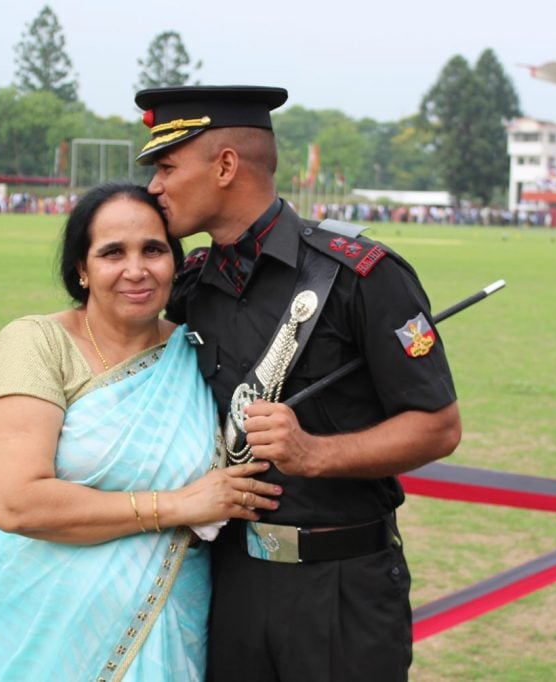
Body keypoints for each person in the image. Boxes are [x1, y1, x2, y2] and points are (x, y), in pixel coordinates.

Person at [134, 86, 462, 681]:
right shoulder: (192, 285)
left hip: (340, 588)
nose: (154, 186)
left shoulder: (361, 276)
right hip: (228, 580)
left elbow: (437, 426)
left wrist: (314, 453)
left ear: (226, 165)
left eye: (166, 166)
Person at [0, 182, 282, 681]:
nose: (136, 269)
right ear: (82, 270)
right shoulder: (35, 344)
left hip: (170, 624)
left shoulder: (198, 354)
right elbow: (16, 502)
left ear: (174, 264)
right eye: (112, 252)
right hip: (47, 630)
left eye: (153, 250)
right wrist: (176, 505)